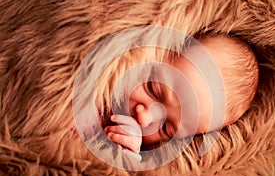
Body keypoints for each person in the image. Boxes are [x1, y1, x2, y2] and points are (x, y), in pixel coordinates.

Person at [103, 35, 259, 156]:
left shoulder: (131, 143)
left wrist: (127, 153)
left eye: (165, 127)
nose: (144, 119)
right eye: (153, 90)